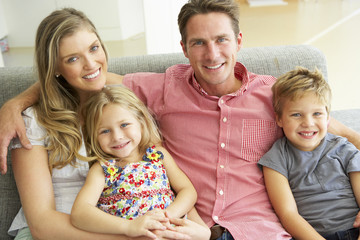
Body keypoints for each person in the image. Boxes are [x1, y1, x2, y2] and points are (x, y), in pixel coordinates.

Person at [1, 0, 360, 239]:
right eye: (199, 43)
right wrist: (14, 103)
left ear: (238, 40)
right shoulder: (160, 90)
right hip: (180, 229)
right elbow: (88, 80)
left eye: (221, 39)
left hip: (258, 230)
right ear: (184, 48)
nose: (212, 53)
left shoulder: (276, 96)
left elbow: (339, 131)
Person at [5, 7, 206, 240]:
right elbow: (42, 225)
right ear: (56, 67)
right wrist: (133, 235)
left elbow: (163, 178)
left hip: (137, 226)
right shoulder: (33, 122)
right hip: (62, 232)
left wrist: (200, 230)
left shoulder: (124, 101)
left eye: (94, 48)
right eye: (73, 59)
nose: (91, 64)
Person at [70, 85, 207, 239]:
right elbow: (79, 213)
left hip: (168, 231)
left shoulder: (157, 155)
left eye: (124, 125)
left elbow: (187, 190)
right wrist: (129, 226)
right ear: (94, 136)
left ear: (141, 122)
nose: (117, 137)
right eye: (105, 131)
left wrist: (166, 215)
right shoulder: (103, 169)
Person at [258, 67, 360, 240]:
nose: (308, 123)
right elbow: (288, 215)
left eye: (317, 114)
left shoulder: (345, 149)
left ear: (328, 117)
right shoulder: (276, 159)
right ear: (279, 119)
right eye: (296, 114)